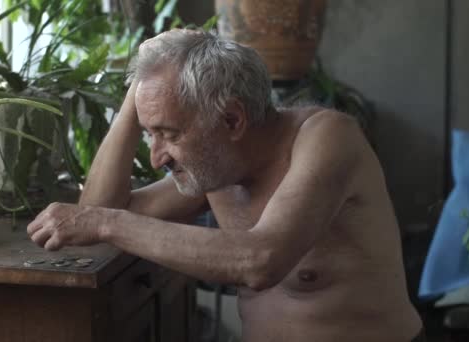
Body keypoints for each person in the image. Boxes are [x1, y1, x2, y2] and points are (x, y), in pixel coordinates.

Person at [27, 29, 423, 341]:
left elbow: (260, 260)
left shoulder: (328, 138)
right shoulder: (217, 166)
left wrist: (105, 223)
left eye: (169, 134)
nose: (157, 157)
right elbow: (95, 211)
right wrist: (141, 88)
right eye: (152, 135)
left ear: (232, 121)